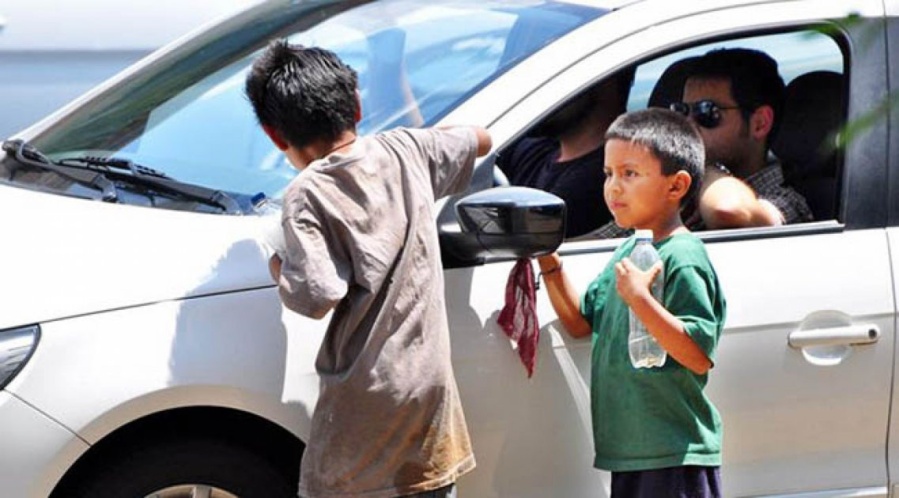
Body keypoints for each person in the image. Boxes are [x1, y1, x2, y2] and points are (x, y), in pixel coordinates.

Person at [245, 40, 492, 498]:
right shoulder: (406, 149)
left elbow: (316, 296)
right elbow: (481, 138)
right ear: (357, 105)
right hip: (428, 396)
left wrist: (277, 261)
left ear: (275, 136)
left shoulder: (306, 194)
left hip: (364, 401)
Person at [537, 108, 727, 497]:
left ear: (676, 186)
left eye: (630, 174)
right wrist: (549, 262)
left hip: (675, 453)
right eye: (608, 174)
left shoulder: (683, 255)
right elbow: (581, 323)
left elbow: (697, 354)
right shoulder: (630, 249)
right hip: (630, 453)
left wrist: (641, 300)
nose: (613, 188)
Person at [672, 47, 812, 229]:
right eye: (682, 111)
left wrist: (699, 165)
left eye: (706, 111)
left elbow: (728, 211)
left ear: (760, 123)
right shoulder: (682, 192)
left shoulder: (786, 201)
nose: (688, 124)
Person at [496, 72, 631, 238]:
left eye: (554, 80)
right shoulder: (534, 151)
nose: (539, 91)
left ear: (604, 82)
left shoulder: (595, 184)